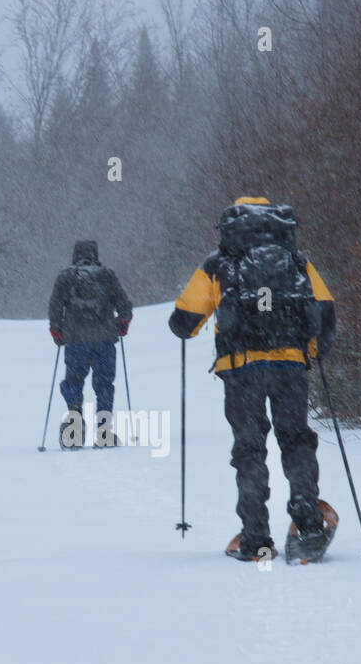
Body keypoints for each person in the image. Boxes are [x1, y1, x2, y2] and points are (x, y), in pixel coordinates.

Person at [168, 196, 336, 560]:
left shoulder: (219, 263)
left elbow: (183, 322)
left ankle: (256, 537)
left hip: (241, 370)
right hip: (290, 367)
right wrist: (311, 353)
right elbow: (326, 312)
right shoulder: (296, 261)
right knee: (295, 442)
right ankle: (308, 522)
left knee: (249, 449)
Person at [48, 240, 133, 448]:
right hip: (104, 339)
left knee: (74, 380)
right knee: (104, 383)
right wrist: (121, 325)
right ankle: (104, 433)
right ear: (95, 254)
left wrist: (57, 330)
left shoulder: (65, 277)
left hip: (75, 340)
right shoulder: (107, 275)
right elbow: (125, 306)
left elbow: (55, 306)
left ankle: (74, 426)